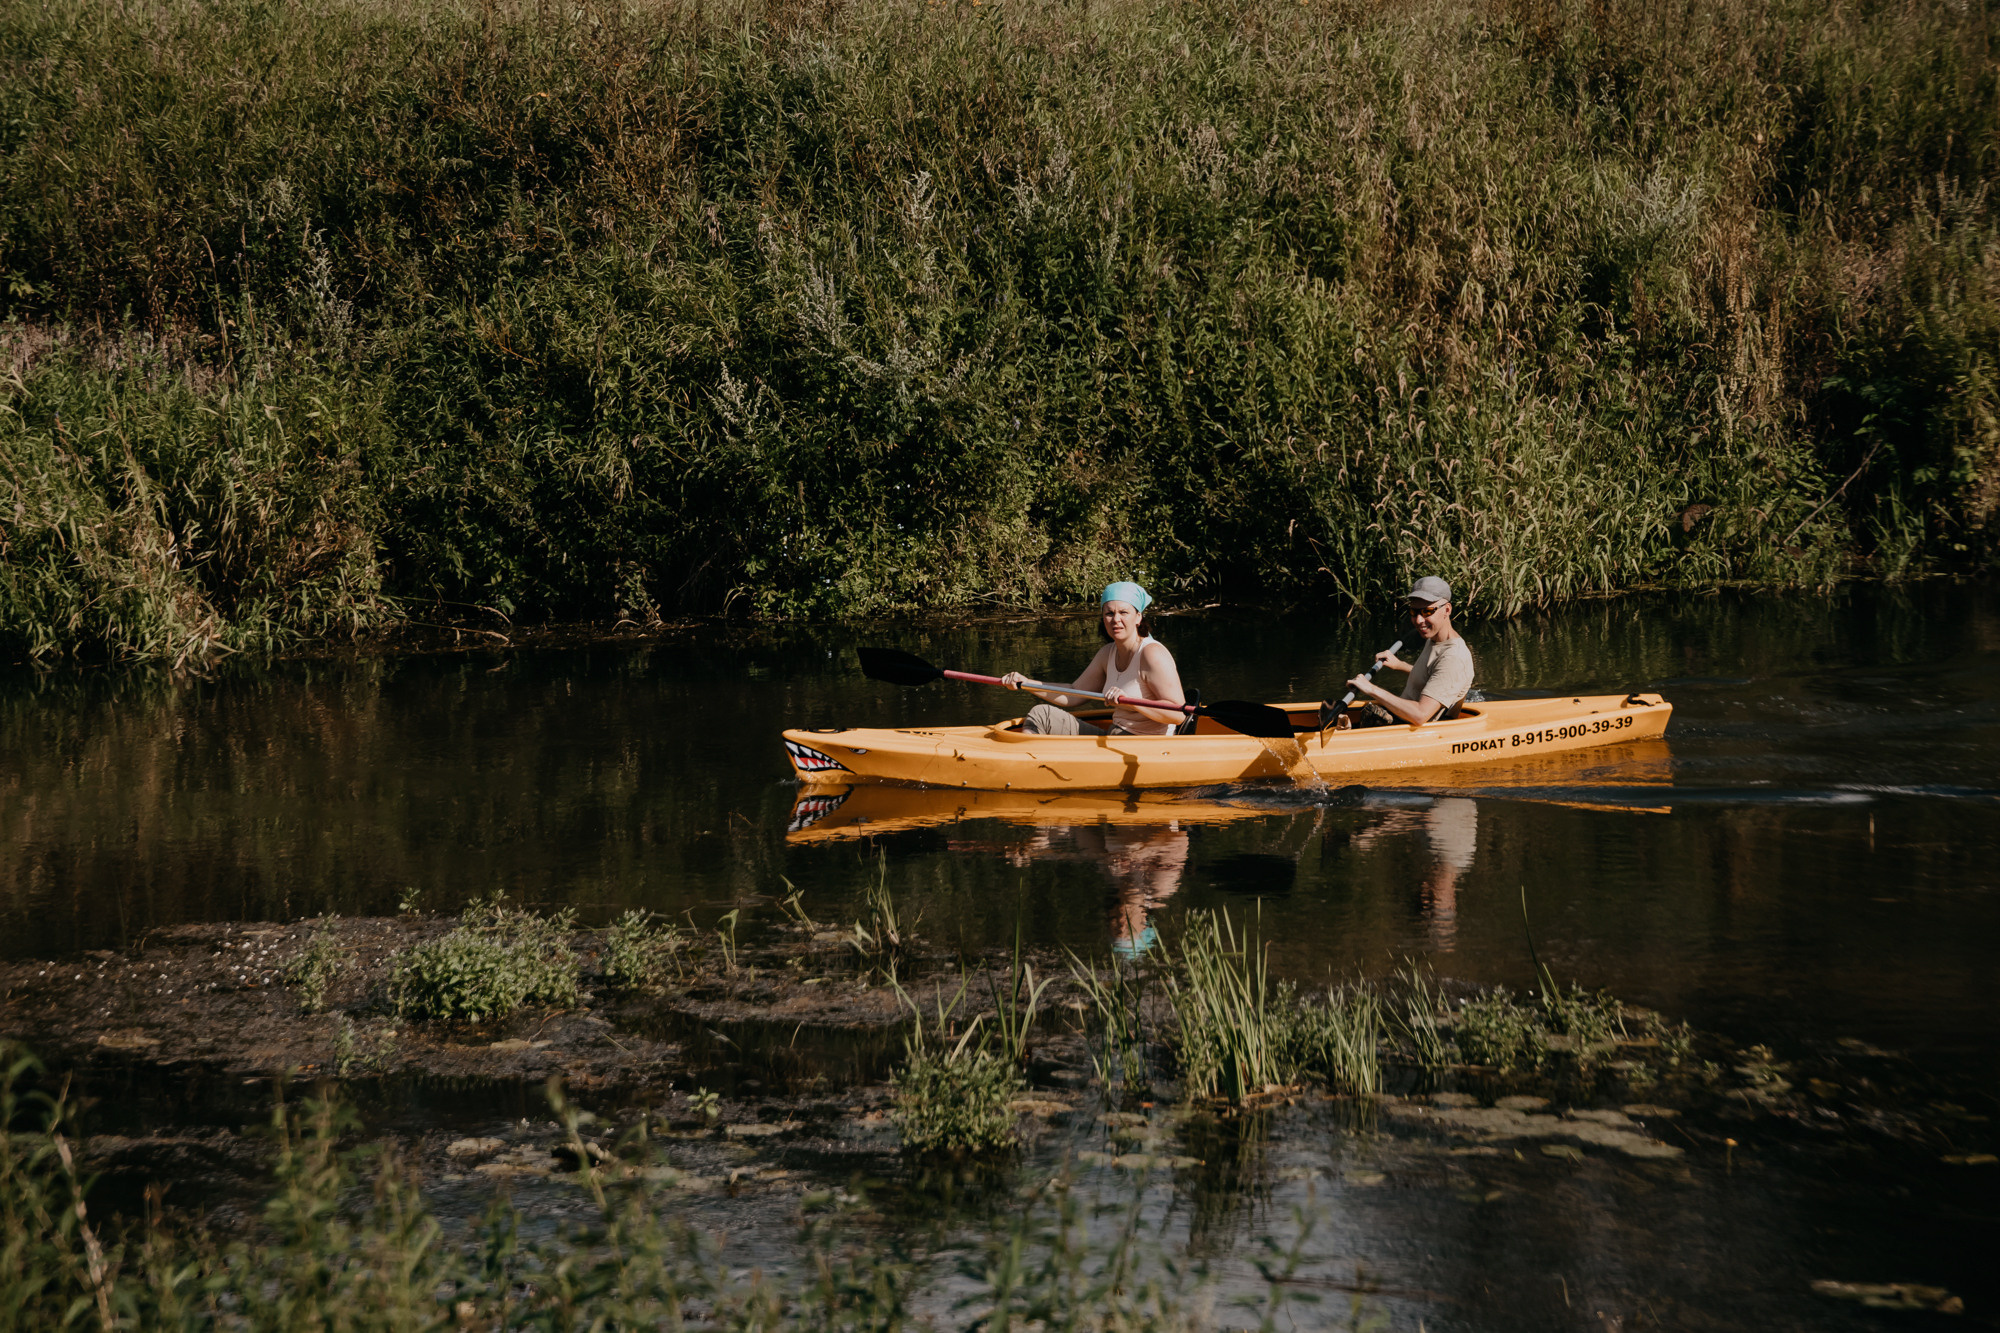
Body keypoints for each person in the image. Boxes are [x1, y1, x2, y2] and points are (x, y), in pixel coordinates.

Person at [999, 582, 1187, 735]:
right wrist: (1026, 683)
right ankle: (1029, 759)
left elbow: (1178, 714)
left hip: (1145, 746)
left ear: (1138, 617)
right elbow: (1074, 693)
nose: (1116, 619)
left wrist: (1131, 701)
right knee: (1041, 715)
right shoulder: (1107, 653)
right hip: (1114, 736)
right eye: (1109, 613)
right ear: (1103, 618)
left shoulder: (1151, 654)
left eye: (1123, 612)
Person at [1343, 575, 1474, 727]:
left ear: (1447, 609)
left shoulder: (1454, 658)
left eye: (1427, 611)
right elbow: (1433, 675)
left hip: (1420, 730)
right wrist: (1399, 665)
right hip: (1402, 720)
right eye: (1414, 612)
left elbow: (1420, 715)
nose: (1418, 620)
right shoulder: (1435, 639)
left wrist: (1371, 689)